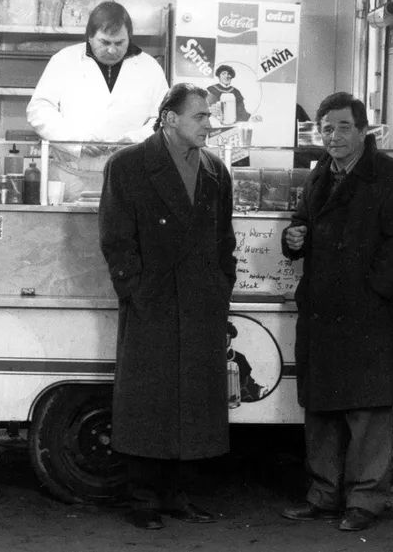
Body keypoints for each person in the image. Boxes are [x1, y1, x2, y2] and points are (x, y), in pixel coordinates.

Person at [280, 92, 393, 532]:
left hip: (364, 313)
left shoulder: (388, 176)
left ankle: (365, 500)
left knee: (367, 412)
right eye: (326, 128)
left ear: (364, 131)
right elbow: (300, 221)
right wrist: (293, 239)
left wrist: (377, 290)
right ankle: (324, 495)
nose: (334, 136)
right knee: (321, 409)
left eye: (344, 127)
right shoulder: (321, 173)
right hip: (323, 309)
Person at [98, 83, 237, 530]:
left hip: (200, 303)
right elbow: (116, 240)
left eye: (209, 116)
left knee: (192, 405)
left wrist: (221, 287)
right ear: (170, 119)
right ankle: (142, 500)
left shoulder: (216, 171)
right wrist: (134, 292)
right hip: (152, 301)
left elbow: (224, 241)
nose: (209, 124)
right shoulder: (128, 166)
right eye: (200, 116)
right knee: (148, 404)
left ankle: (177, 496)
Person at [26, 1, 169, 200]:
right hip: (72, 177)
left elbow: (163, 119)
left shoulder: (150, 67)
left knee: (127, 230)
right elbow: (39, 110)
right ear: (90, 37)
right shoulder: (64, 60)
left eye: (119, 43)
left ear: (129, 38)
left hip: (131, 177)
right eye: (105, 42)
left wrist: (137, 140)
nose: (112, 50)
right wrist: (76, 140)